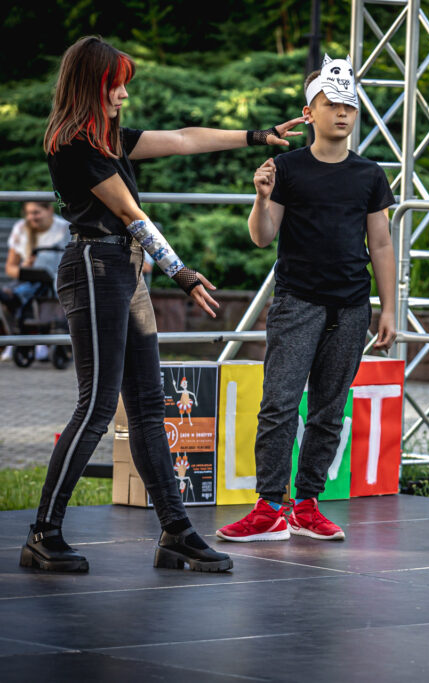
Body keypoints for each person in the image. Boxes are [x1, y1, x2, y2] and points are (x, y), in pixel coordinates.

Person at [21, 35, 303, 574]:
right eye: (116, 85)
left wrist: (255, 135)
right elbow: (130, 213)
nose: (124, 95)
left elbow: (181, 139)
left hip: (124, 273)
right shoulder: (73, 144)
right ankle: (43, 533)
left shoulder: (107, 141)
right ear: (92, 86)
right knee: (99, 406)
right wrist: (181, 270)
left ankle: (176, 533)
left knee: (150, 408)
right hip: (95, 269)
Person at [216, 54, 397, 543]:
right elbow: (261, 236)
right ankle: (269, 506)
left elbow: (380, 243)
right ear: (309, 111)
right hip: (298, 301)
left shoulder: (369, 174)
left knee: (329, 408)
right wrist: (259, 196)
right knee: (278, 403)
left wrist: (388, 308)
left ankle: (307, 503)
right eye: (330, 103)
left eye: (349, 106)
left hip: (352, 304)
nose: (341, 113)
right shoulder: (286, 167)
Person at [1, 201, 70, 361]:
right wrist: (25, 268)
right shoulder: (22, 228)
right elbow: (10, 268)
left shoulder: (64, 229)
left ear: (49, 210)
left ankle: (15, 297)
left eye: (36, 212)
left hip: (56, 278)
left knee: (41, 286)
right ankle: (16, 340)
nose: (32, 217)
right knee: (34, 283)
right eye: (29, 213)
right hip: (32, 277)